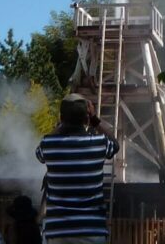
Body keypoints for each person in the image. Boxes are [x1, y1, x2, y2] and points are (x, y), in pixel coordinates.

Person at [35, 94, 119, 243]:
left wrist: (60, 125)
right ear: (86, 118)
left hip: (58, 232)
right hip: (92, 230)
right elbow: (115, 144)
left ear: (61, 118)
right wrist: (95, 120)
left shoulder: (48, 145)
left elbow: (40, 149)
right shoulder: (99, 143)